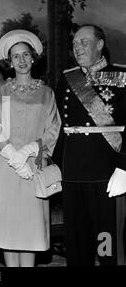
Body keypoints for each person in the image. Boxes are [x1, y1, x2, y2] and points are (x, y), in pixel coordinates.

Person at [55, 24, 126, 266]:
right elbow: (60, 127)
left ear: (100, 45)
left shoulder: (122, 76)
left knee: (108, 245)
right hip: (72, 173)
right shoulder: (67, 78)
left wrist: (124, 166)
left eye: (84, 42)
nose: (78, 47)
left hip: (107, 173)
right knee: (77, 246)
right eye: (75, 44)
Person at [0, 30, 61, 267]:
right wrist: (12, 153)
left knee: (30, 226)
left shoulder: (47, 93)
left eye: (25, 55)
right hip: (6, 165)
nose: (21, 60)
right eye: (15, 56)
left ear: (33, 58)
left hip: (34, 164)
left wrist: (30, 149)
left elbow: (53, 129)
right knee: (9, 224)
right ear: (9, 62)